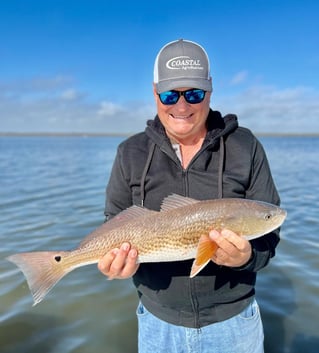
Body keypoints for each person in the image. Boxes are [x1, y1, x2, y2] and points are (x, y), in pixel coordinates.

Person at [97, 39, 281, 353]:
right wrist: (112, 265)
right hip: (157, 323)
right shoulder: (130, 153)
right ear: (155, 93)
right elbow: (113, 224)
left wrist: (247, 257)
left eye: (194, 94)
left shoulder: (245, 147)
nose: (182, 107)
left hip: (235, 323)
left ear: (210, 90)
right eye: (170, 95)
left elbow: (270, 236)